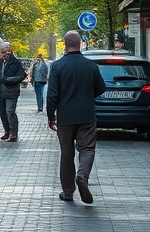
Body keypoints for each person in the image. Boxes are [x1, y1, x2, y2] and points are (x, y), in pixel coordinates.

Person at [46, 30, 107, 204]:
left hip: (65, 117)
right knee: (87, 148)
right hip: (86, 115)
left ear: (65, 45)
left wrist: (51, 116)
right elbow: (101, 88)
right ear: (79, 43)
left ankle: (67, 192)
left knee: (66, 153)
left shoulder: (57, 66)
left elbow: (52, 95)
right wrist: (87, 95)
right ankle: (82, 176)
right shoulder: (90, 66)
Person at [0, 42, 25, 141]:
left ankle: (13, 133)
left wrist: (8, 80)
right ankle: (7, 131)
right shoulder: (0, 62)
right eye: (2, 51)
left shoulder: (15, 62)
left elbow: (22, 76)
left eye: (6, 50)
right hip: (1, 90)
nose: (4, 53)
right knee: (1, 111)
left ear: (10, 50)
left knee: (10, 111)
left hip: (11, 90)